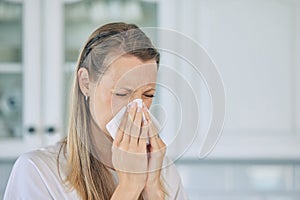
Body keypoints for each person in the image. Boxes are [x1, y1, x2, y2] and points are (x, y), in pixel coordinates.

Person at [4, 22, 188, 200]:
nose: (137, 107)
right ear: (85, 83)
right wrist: (130, 186)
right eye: (122, 93)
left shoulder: (163, 171)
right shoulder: (38, 172)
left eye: (148, 94)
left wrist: (153, 191)